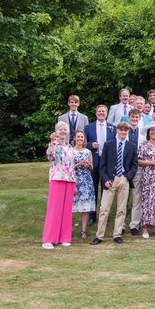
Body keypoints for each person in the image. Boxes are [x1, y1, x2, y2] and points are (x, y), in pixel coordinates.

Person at [91, 122, 138, 245]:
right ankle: (99, 235)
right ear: (117, 131)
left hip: (123, 179)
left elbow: (134, 166)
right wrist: (105, 179)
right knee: (104, 209)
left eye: (125, 131)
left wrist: (127, 177)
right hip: (110, 180)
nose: (123, 133)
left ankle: (117, 234)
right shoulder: (108, 145)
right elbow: (102, 165)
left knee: (121, 209)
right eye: (121, 130)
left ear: (127, 132)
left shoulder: (131, 146)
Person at [42, 122, 76, 250]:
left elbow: (72, 165)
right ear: (56, 132)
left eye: (65, 130)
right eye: (60, 130)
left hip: (70, 180)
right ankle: (48, 239)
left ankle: (64, 237)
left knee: (66, 211)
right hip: (57, 178)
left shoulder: (69, 147)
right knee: (54, 209)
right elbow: (50, 157)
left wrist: (74, 181)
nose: (63, 131)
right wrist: (52, 141)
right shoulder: (54, 145)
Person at [84, 105, 116, 226]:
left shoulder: (112, 128)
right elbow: (82, 143)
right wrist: (91, 145)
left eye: (103, 111)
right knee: (93, 189)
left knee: (106, 190)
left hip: (107, 163)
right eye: (99, 111)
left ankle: (104, 215)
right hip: (93, 162)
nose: (101, 113)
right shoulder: (89, 127)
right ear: (96, 113)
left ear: (106, 113)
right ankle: (92, 215)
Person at [71, 131, 94, 240]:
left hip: (87, 181)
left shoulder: (88, 151)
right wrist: (79, 164)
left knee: (85, 208)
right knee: (71, 207)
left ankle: (83, 231)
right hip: (74, 180)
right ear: (74, 138)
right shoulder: (70, 151)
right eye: (78, 137)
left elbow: (92, 168)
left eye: (82, 137)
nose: (80, 139)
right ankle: (67, 229)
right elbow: (68, 167)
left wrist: (89, 165)